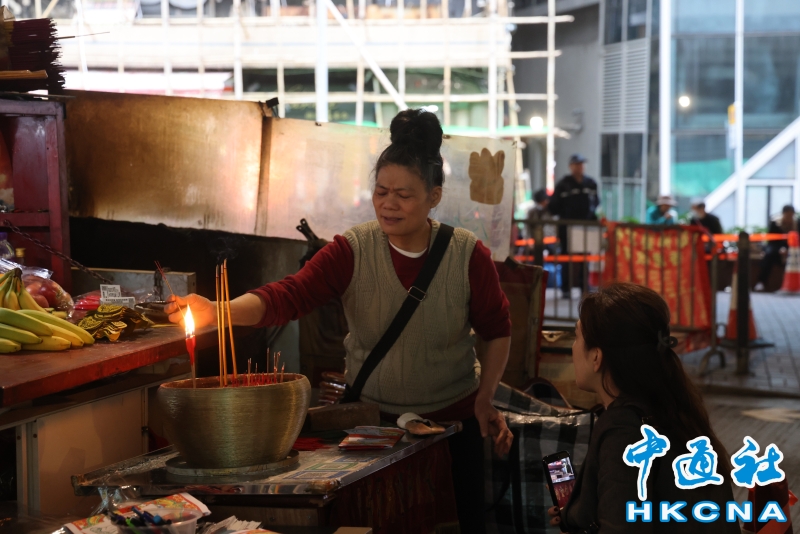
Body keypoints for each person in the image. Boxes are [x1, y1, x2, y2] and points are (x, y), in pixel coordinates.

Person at [166, 109, 514, 533]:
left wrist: (485, 398)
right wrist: (219, 311)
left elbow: (497, 330)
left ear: (434, 196)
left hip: (452, 427)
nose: (388, 203)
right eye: (381, 191)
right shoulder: (353, 250)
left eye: (404, 195)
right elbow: (289, 295)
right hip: (375, 429)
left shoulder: (467, 255)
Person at [548, 283, 738, 533]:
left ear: (596, 357)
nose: (573, 347)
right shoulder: (670, 406)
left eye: (577, 337)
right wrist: (578, 508)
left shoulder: (624, 431)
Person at [548, 154, 599, 298]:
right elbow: (553, 207)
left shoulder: (591, 183)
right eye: (577, 164)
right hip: (567, 227)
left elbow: (596, 202)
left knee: (585, 258)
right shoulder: (563, 184)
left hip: (585, 227)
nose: (580, 167)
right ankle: (566, 288)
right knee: (567, 257)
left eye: (582, 164)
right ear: (571, 166)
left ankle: (584, 287)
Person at [755, 204, 800, 291]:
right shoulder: (775, 223)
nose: (789, 217)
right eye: (787, 214)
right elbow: (772, 239)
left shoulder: (797, 223)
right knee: (768, 255)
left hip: (793, 248)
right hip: (775, 247)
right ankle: (761, 282)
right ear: (783, 214)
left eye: (791, 215)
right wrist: (780, 249)